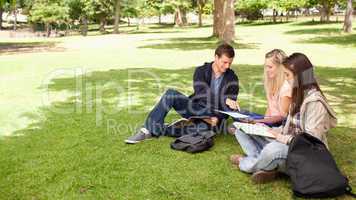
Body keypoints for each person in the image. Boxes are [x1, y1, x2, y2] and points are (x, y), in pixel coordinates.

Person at [230, 53, 337, 184]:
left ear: (300, 76)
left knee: (272, 150)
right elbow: (290, 126)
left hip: (302, 155)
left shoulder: (315, 103)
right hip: (285, 144)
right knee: (241, 131)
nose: (285, 80)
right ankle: (267, 164)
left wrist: (280, 137)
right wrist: (267, 129)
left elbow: (309, 142)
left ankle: (247, 163)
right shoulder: (298, 94)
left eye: (287, 75)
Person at [125, 43, 240, 144]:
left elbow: (227, 109)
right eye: (224, 62)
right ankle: (146, 129)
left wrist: (218, 118)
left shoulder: (232, 78)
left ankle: (158, 129)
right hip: (196, 108)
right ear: (216, 57)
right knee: (171, 94)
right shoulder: (200, 71)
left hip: (214, 115)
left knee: (201, 131)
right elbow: (201, 93)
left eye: (230, 63)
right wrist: (223, 100)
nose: (227, 66)